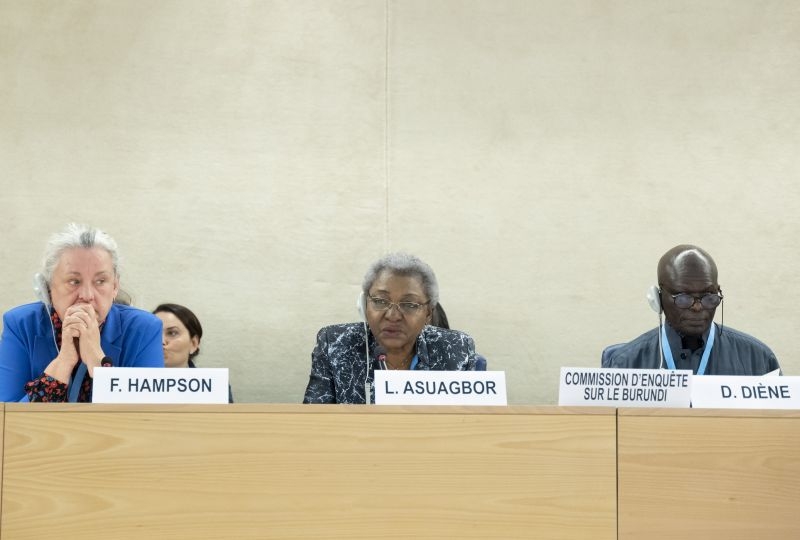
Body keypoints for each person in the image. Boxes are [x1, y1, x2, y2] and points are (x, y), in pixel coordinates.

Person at [0, 223, 164, 402]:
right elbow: (7, 418)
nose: (87, 296)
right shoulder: (20, 325)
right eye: (74, 281)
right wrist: (63, 362)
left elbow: (147, 418)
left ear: (115, 286)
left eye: (101, 281)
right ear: (47, 288)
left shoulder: (144, 329)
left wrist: (98, 362)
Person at [303, 252, 476, 404]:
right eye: (380, 301)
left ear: (429, 313)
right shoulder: (334, 345)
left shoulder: (457, 349)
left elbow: (477, 426)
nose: (393, 316)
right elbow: (312, 425)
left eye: (409, 304)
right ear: (364, 305)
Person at [607, 244, 780, 375]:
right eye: (683, 298)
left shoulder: (758, 360)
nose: (698, 307)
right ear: (658, 298)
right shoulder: (625, 363)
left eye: (708, 297)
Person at [153, 303, 234, 402]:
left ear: (193, 343)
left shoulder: (214, 386)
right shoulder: (132, 383)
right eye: (154, 333)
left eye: (172, 333)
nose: (161, 341)